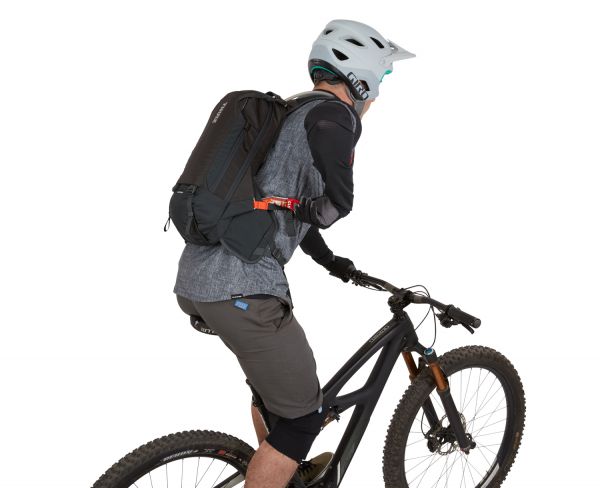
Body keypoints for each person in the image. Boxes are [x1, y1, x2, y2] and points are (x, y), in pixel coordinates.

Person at [173, 19, 414, 488]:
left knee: (274, 397)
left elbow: (281, 207)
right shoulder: (334, 117)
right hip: (243, 290)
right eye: (381, 78)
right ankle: (279, 465)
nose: (378, 95)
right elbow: (333, 206)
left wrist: (332, 263)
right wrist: (323, 208)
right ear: (361, 77)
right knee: (303, 421)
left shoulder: (292, 110)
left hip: (199, 280)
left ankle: (283, 474)